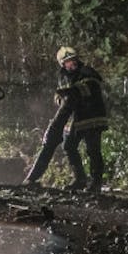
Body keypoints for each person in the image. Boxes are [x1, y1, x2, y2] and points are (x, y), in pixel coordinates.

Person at [22, 46, 109, 192]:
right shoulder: (63, 76)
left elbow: (86, 90)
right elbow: (60, 97)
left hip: (92, 116)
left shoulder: (87, 72)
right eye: (68, 61)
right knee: (69, 145)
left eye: (73, 60)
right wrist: (60, 97)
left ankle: (96, 183)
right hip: (76, 117)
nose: (72, 63)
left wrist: (67, 93)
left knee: (93, 149)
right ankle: (80, 179)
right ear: (63, 64)